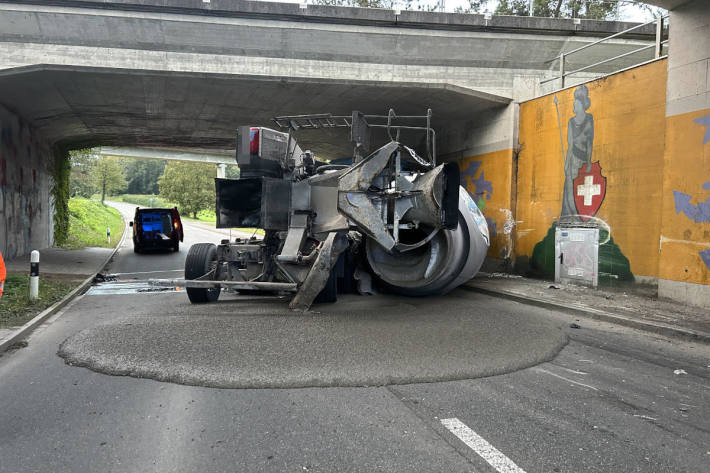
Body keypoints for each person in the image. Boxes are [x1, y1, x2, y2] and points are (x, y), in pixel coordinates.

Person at [561, 84, 594, 222]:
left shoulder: (589, 119)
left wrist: (589, 162)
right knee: (570, 189)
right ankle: (571, 217)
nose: (573, 106)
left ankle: (580, 217)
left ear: (581, 104)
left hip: (582, 161)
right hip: (573, 159)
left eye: (575, 104)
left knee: (580, 192)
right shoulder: (570, 121)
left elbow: (590, 143)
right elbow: (570, 145)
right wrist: (566, 164)